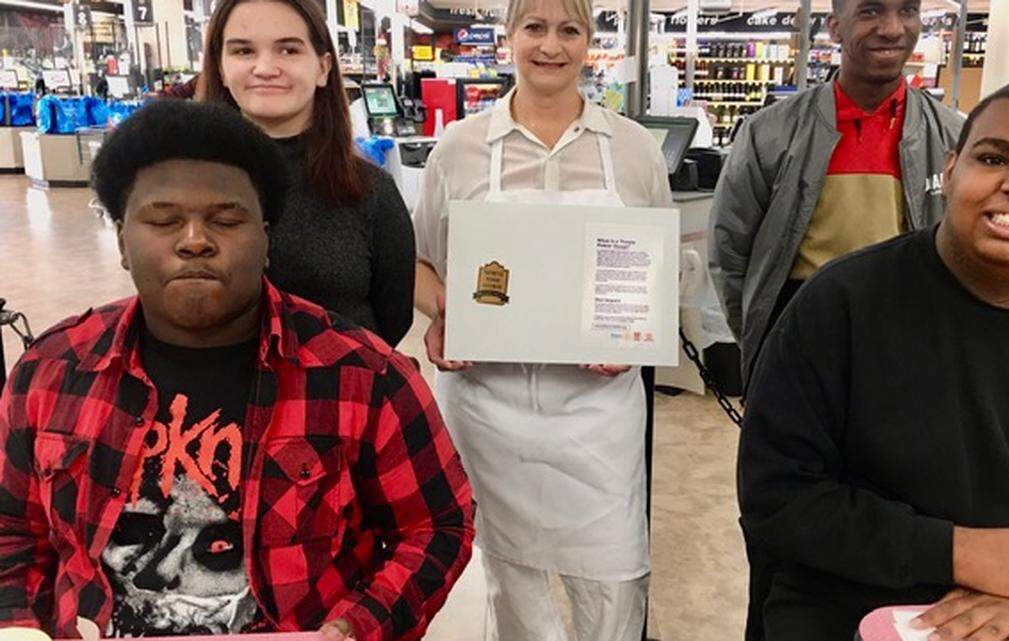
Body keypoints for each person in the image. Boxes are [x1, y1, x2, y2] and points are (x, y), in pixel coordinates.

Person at [0, 101, 474, 641]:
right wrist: (19, 625)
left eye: (226, 220)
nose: (194, 240)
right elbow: (12, 528)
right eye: (163, 220)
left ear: (266, 239)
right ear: (123, 241)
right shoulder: (52, 372)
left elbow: (438, 526)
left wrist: (356, 628)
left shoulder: (363, 377)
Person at [739, 76, 1009, 641]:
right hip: (855, 608)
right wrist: (965, 554)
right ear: (949, 171)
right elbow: (778, 497)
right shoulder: (840, 304)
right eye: (994, 158)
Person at [411, 0, 672, 637]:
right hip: (488, 408)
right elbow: (418, 261)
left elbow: (656, 268)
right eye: (534, 27)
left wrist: (632, 331)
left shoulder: (633, 149)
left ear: (588, 41)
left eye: (569, 30)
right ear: (509, 36)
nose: (550, 46)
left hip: (598, 415)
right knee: (512, 586)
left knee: (613, 585)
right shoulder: (460, 147)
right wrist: (447, 311)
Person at [709, 0, 963, 390]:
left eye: (907, 11)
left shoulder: (952, 137)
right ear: (835, 28)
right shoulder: (769, 133)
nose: (892, 28)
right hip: (797, 332)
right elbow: (730, 249)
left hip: (909, 336)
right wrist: (758, 339)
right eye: (870, 11)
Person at [196, 0, 415, 347]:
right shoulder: (186, 189)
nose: (265, 68)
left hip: (343, 379)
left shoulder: (369, 190)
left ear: (323, 68)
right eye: (243, 51)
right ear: (220, 68)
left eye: (288, 49)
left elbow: (394, 317)